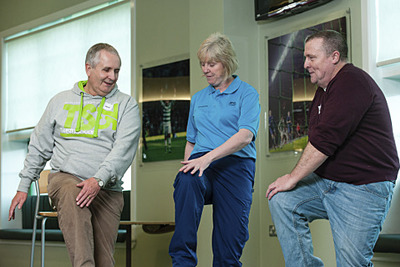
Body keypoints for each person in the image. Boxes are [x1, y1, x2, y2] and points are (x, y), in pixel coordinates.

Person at [266, 30, 399, 266]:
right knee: (282, 200)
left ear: (334, 56)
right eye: (305, 58)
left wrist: (293, 177)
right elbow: (316, 139)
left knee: (351, 263)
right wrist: (293, 181)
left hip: (363, 188)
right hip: (328, 183)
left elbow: (325, 140)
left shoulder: (352, 81)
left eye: (311, 58)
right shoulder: (322, 92)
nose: (305, 64)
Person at [8, 43, 141, 267]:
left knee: (104, 261)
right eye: (106, 70)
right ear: (89, 69)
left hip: (106, 187)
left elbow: (123, 151)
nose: (112, 77)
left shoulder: (126, 105)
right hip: (66, 178)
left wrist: (98, 180)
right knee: (73, 192)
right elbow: (39, 145)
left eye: (116, 71)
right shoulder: (60, 101)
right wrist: (23, 186)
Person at [169, 32, 260, 267]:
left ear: (227, 63)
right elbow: (191, 141)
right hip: (201, 163)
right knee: (186, 181)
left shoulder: (247, 93)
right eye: (203, 64)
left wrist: (208, 158)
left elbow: (245, 136)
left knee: (229, 248)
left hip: (236, 165)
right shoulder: (198, 98)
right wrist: (190, 164)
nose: (206, 69)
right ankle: (183, 262)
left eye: (212, 64)